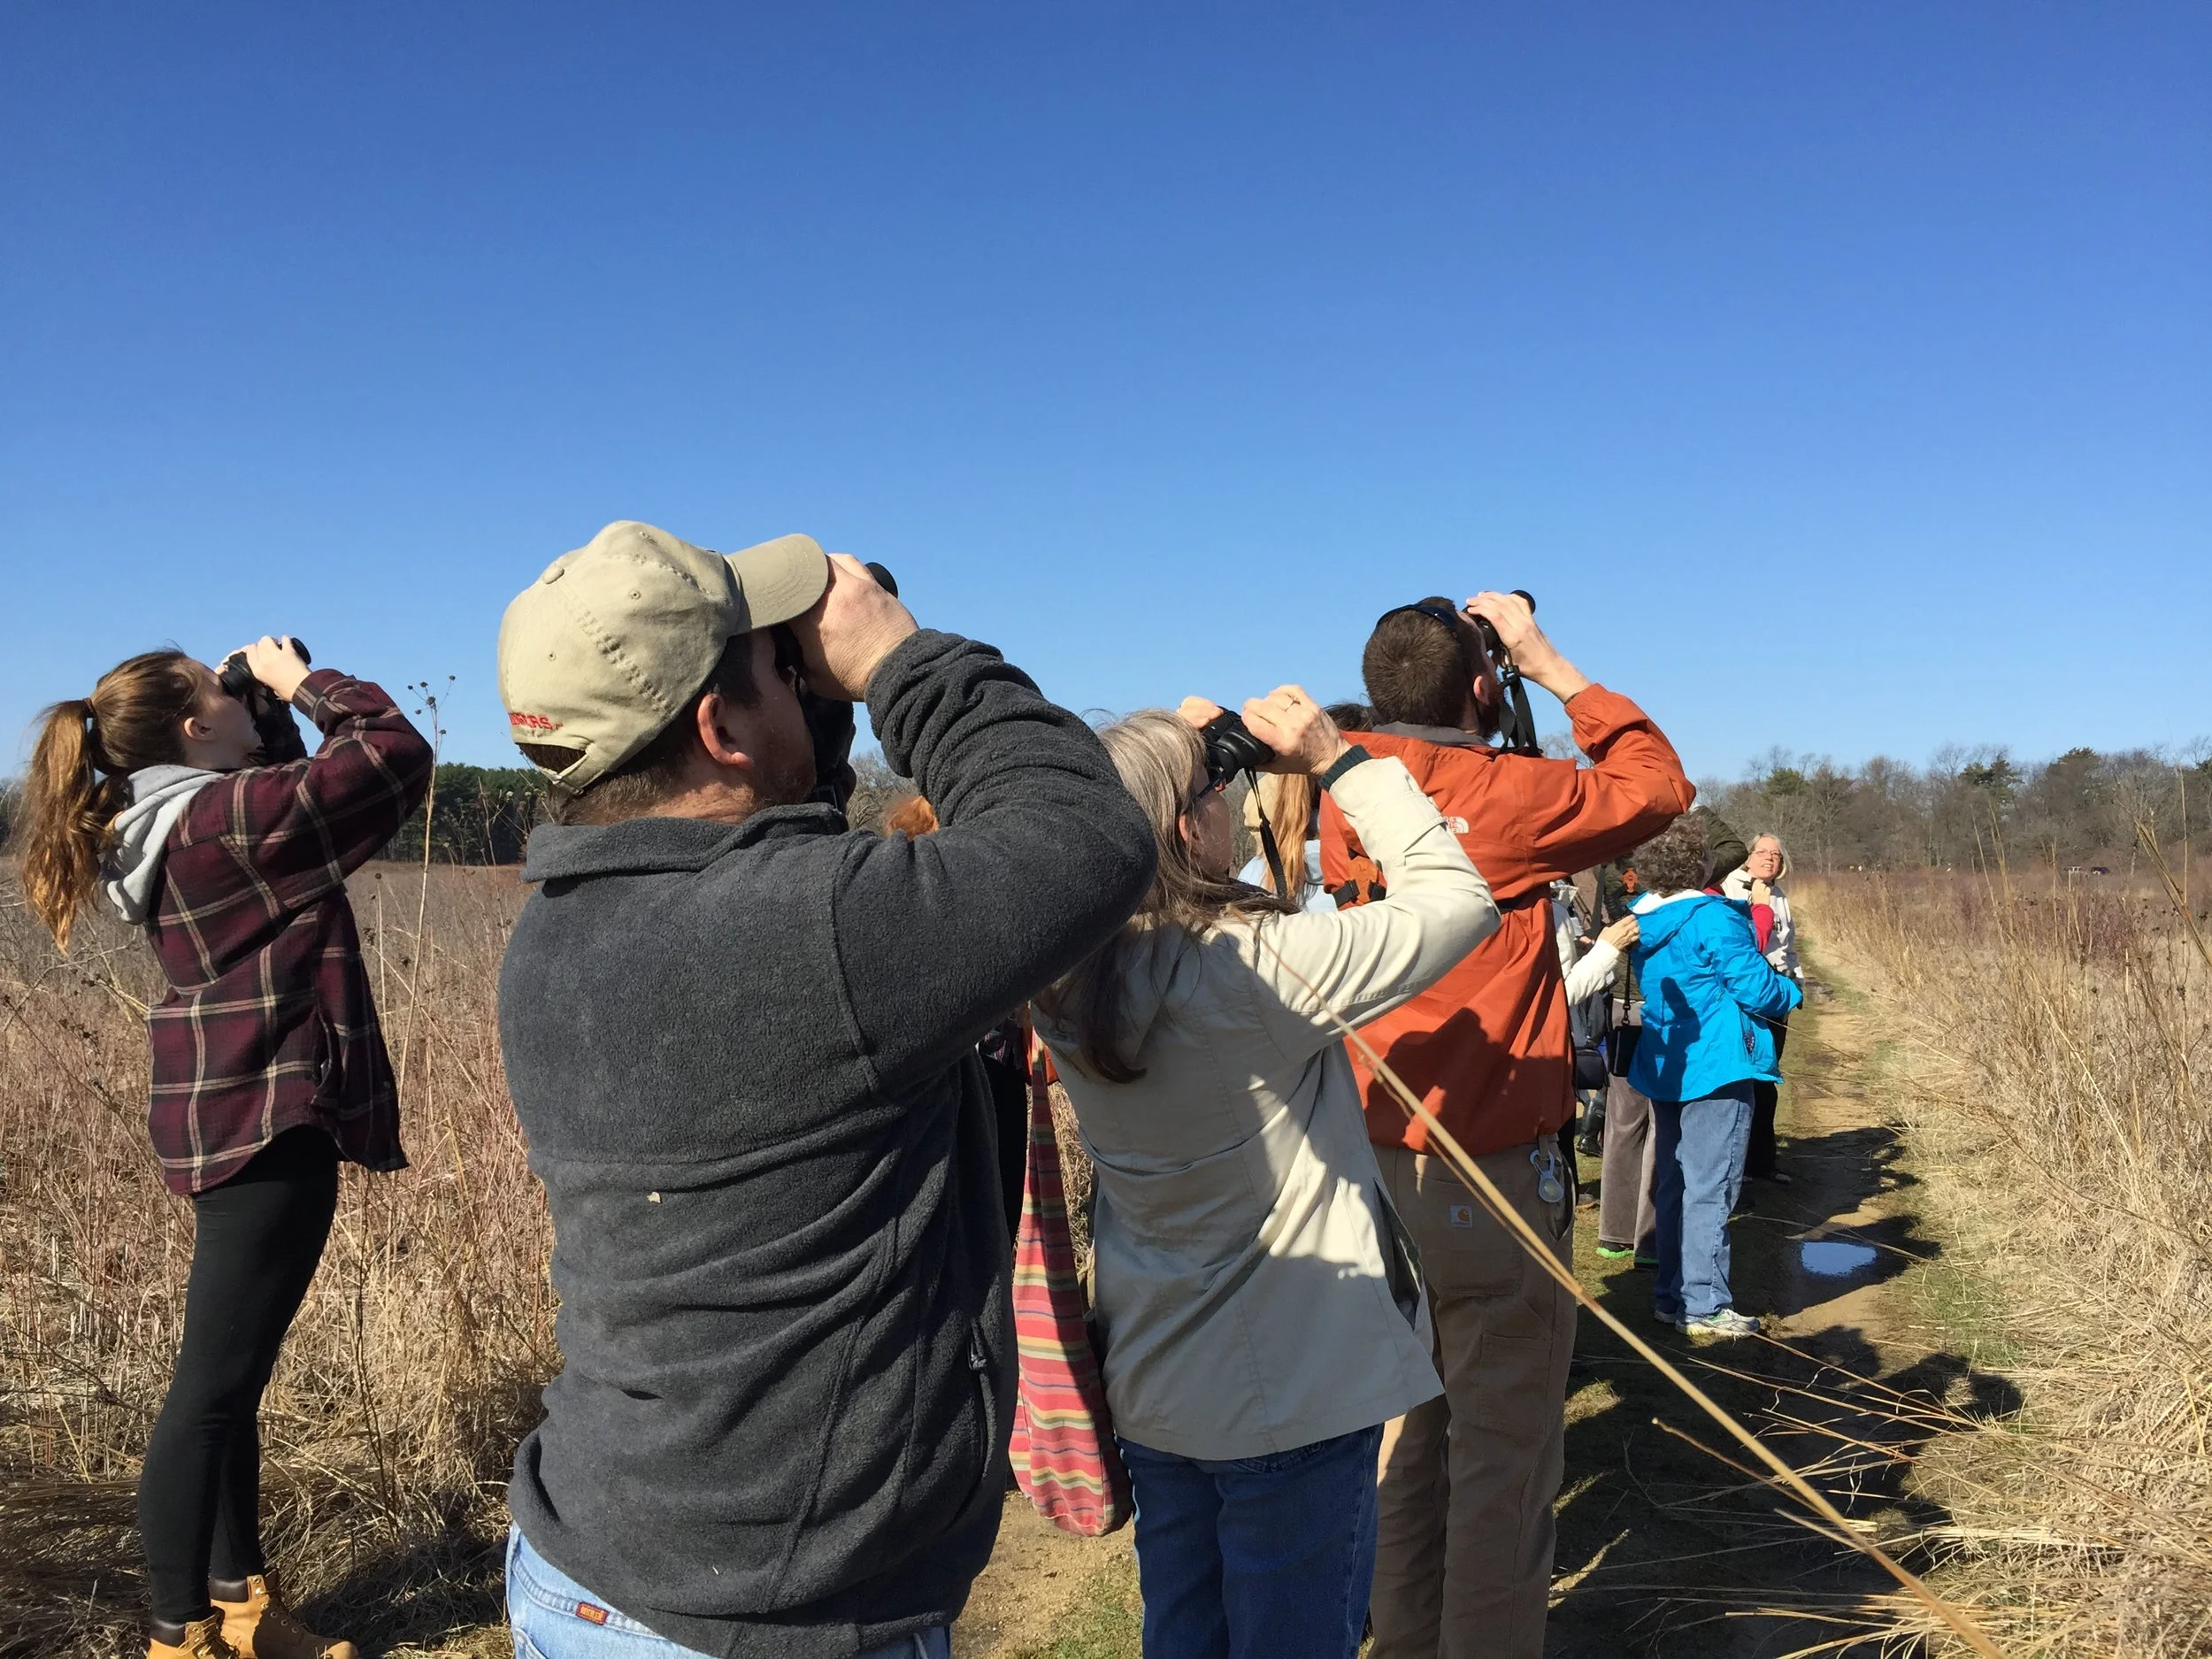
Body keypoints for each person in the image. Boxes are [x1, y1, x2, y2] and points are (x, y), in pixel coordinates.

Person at [492, 521, 1155, 1659]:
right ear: (719, 728)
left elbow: (792, 868)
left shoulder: (558, 937)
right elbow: (1084, 833)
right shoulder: (816, 934)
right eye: (770, 671)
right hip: (771, 1617)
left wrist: (803, 721)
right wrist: (902, 660)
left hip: (595, 1558)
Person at [1033, 688, 1499, 1659]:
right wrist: (1338, 762)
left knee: (1186, 1635)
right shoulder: (1252, 977)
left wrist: (1177, 763)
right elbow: (1460, 902)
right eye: (1220, 790)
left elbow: (1191, 893)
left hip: (1158, 1379)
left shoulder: (1061, 975)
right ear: (1184, 823)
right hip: (1289, 1389)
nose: (1236, 803)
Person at [19, 640, 432, 1659]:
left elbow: (288, 790)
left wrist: (258, 704)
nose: (236, 696)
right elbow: (390, 753)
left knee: (228, 1382)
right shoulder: (219, 822)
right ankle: (176, 1636)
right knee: (209, 1394)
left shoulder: (176, 824)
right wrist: (305, 684)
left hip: (228, 1108)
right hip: (267, 1116)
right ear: (192, 729)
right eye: (218, 691)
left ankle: (240, 1608)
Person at [1317, 591, 1694, 1659]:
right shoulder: (1502, 794)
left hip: (1378, 1154)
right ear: (1483, 684)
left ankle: (1399, 1638)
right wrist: (1546, 657)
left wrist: (1490, 673)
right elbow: (1657, 784)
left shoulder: (1343, 786)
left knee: (1410, 1430)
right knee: (1505, 1451)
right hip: (1487, 1166)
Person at [1623, 816, 1803, 1339]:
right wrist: (1790, 992)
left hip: (1669, 1062)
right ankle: (1703, 1303)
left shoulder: (1643, 920)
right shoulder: (1713, 918)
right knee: (1711, 1187)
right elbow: (1758, 989)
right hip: (1718, 1063)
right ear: (1700, 865)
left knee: (1677, 1182)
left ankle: (1673, 1296)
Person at [1722, 833, 1802, 1184]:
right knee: (1748, 1079)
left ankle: (1762, 1163)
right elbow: (1749, 944)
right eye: (1762, 852)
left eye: (1776, 854)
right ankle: (1740, 1165)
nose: (1770, 858)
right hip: (1753, 992)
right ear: (1747, 857)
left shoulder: (1778, 895)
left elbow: (1788, 947)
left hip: (1779, 994)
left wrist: (1797, 984)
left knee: (1768, 1080)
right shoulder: (1733, 891)